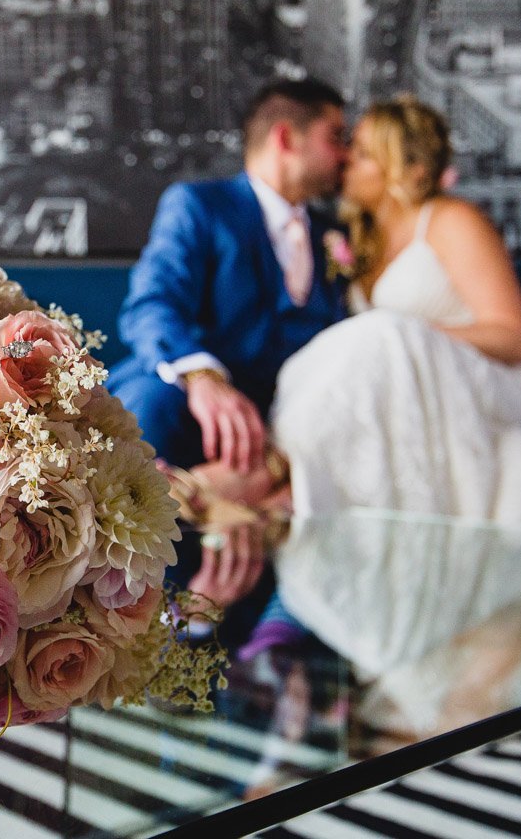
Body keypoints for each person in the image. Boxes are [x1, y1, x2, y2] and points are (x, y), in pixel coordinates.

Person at [175, 94, 521, 660]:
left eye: (362, 153)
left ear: (402, 169)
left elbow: (514, 337)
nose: (345, 162)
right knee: (339, 360)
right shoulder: (355, 246)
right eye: (344, 148)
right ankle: (276, 512)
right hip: (417, 400)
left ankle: (252, 477)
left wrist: (410, 336)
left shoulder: (451, 220)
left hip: (502, 392)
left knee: (380, 335)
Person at [106, 76, 351, 641]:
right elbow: (152, 303)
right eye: (335, 136)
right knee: (152, 402)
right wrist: (203, 377)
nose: (346, 152)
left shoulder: (335, 237)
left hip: (285, 423)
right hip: (182, 397)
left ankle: (264, 642)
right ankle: (139, 626)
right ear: (287, 136)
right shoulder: (199, 206)